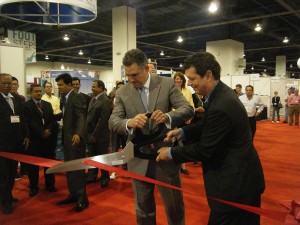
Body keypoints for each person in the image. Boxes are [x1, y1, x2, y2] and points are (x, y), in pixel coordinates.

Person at [156, 52, 265, 225]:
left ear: (208, 75)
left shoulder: (222, 103)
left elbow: (205, 149)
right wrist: (183, 132)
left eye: (192, 78)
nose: (190, 83)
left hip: (235, 185)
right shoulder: (219, 94)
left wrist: (170, 153)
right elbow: (207, 124)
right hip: (240, 180)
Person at [109, 49, 194, 225]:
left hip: (165, 156)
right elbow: (113, 121)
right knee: (143, 209)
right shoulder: (123, 91)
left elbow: (187, 109)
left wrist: (168, 116)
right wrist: (129, 122)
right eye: (128, 75)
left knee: (174, 208)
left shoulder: (166, 83)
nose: (131, 80)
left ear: (146, 68)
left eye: (134, 75)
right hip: (138, 159)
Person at [55, 73, 89, 212]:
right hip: (67, 140)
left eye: (61, 85)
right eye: (58, 85)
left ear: (69, 85)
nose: (59, 87)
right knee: (69, 169)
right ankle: (73, 195)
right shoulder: (65, 98)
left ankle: (82, 199)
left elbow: (81, 117)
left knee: (78, 171)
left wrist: (78, 134)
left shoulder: (77, 97)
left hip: (76, 141)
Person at [0, 73, 29, 214]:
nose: (6, 86)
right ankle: (5, 201)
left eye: (8, 83)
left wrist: (26, 136)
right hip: (3, 145)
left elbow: (22, 119)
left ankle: (8, 194)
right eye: (3, 83)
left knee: (12, 173)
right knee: (4, 174)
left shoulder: (17, 99)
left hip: (16, 144)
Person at [24, 84, 58, 197]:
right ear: (30, 93)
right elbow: (28, 122)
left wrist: (47, 130)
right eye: (36, 91)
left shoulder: (47, 105)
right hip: (34, 140)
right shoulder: (26, 106)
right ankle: (33, 187)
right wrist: (41, 132)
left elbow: (52, 120)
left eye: (39, 91)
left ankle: (50, 185)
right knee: (33, 167)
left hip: (47, 141)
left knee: (49, 164)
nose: (38, 93)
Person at [85, 80, 111, 187]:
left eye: (94, 86)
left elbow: (102, 120)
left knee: (102, 157)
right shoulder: (92, 99)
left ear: (100, 88)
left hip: (100, 135)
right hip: (91, 134)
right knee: (92, 156)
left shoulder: (105, 100)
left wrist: (95, 135)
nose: (92, 88)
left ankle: (105, 177)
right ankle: (92, 176)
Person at [173, 72, 194, 175]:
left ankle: (183, 166)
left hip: (185, 119)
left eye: (180, 79)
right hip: (174, 119)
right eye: (176, 79)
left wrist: (190, 116)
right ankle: (177, 165)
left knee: (183, 143)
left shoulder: (188, 91)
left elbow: (191, 105)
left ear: (183, 80)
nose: (178, 80)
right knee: (176, 143)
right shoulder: (171, 91)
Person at [110, 81, 127, 180]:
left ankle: (125, 168)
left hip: (125, 127)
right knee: (115, 150)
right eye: (118, 87)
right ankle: (115, 170)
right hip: (115, 129)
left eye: (122, 87)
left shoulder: (128, 100)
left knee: (125, 149)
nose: (120, 89)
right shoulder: (112, 99)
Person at [11, 76, 27, 178]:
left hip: (20, 129)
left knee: (22, 150)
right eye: (11, 84)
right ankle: (13, 172)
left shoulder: (21, 98)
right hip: (9, 131)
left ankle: (23, 170)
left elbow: (23, 116)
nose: (13, 86)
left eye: (15, 84)